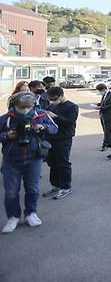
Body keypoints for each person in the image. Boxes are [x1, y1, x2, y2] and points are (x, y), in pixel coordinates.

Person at [0, 92, 58, 233]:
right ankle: (13, 217)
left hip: (34, 158)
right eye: (22, 107)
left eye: (29, 106)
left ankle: (31, 213)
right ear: (15, 105)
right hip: (12, 159)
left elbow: (54, 128)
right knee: (11, 191)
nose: (26, 110)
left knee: (33, 188)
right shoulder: (6, 118)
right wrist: (7, 135)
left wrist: (42, 127)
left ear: (33, 104)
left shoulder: (40, 115)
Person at [42, 87, 78, 200]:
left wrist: (56, 116)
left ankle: (66, 187)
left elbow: (70, 121)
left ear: (61, 95)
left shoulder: (71, 106)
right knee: (52, 163)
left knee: (63, 163)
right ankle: (56, 185)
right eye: (50, 99)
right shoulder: (52, 105)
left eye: (54, 99)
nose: (52, 101)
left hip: (63, 138)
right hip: (50, 137)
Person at [96, 83, 111, 153]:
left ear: (104, 89)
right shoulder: (104, 95)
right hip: (103, 114)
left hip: (109, 115)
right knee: (105, 129)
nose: (100, 92)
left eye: (100, 91)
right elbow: (104, 102)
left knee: (107, 130)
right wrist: (99, 104)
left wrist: (101, 107)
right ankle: (110, 143)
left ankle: (105, 144)